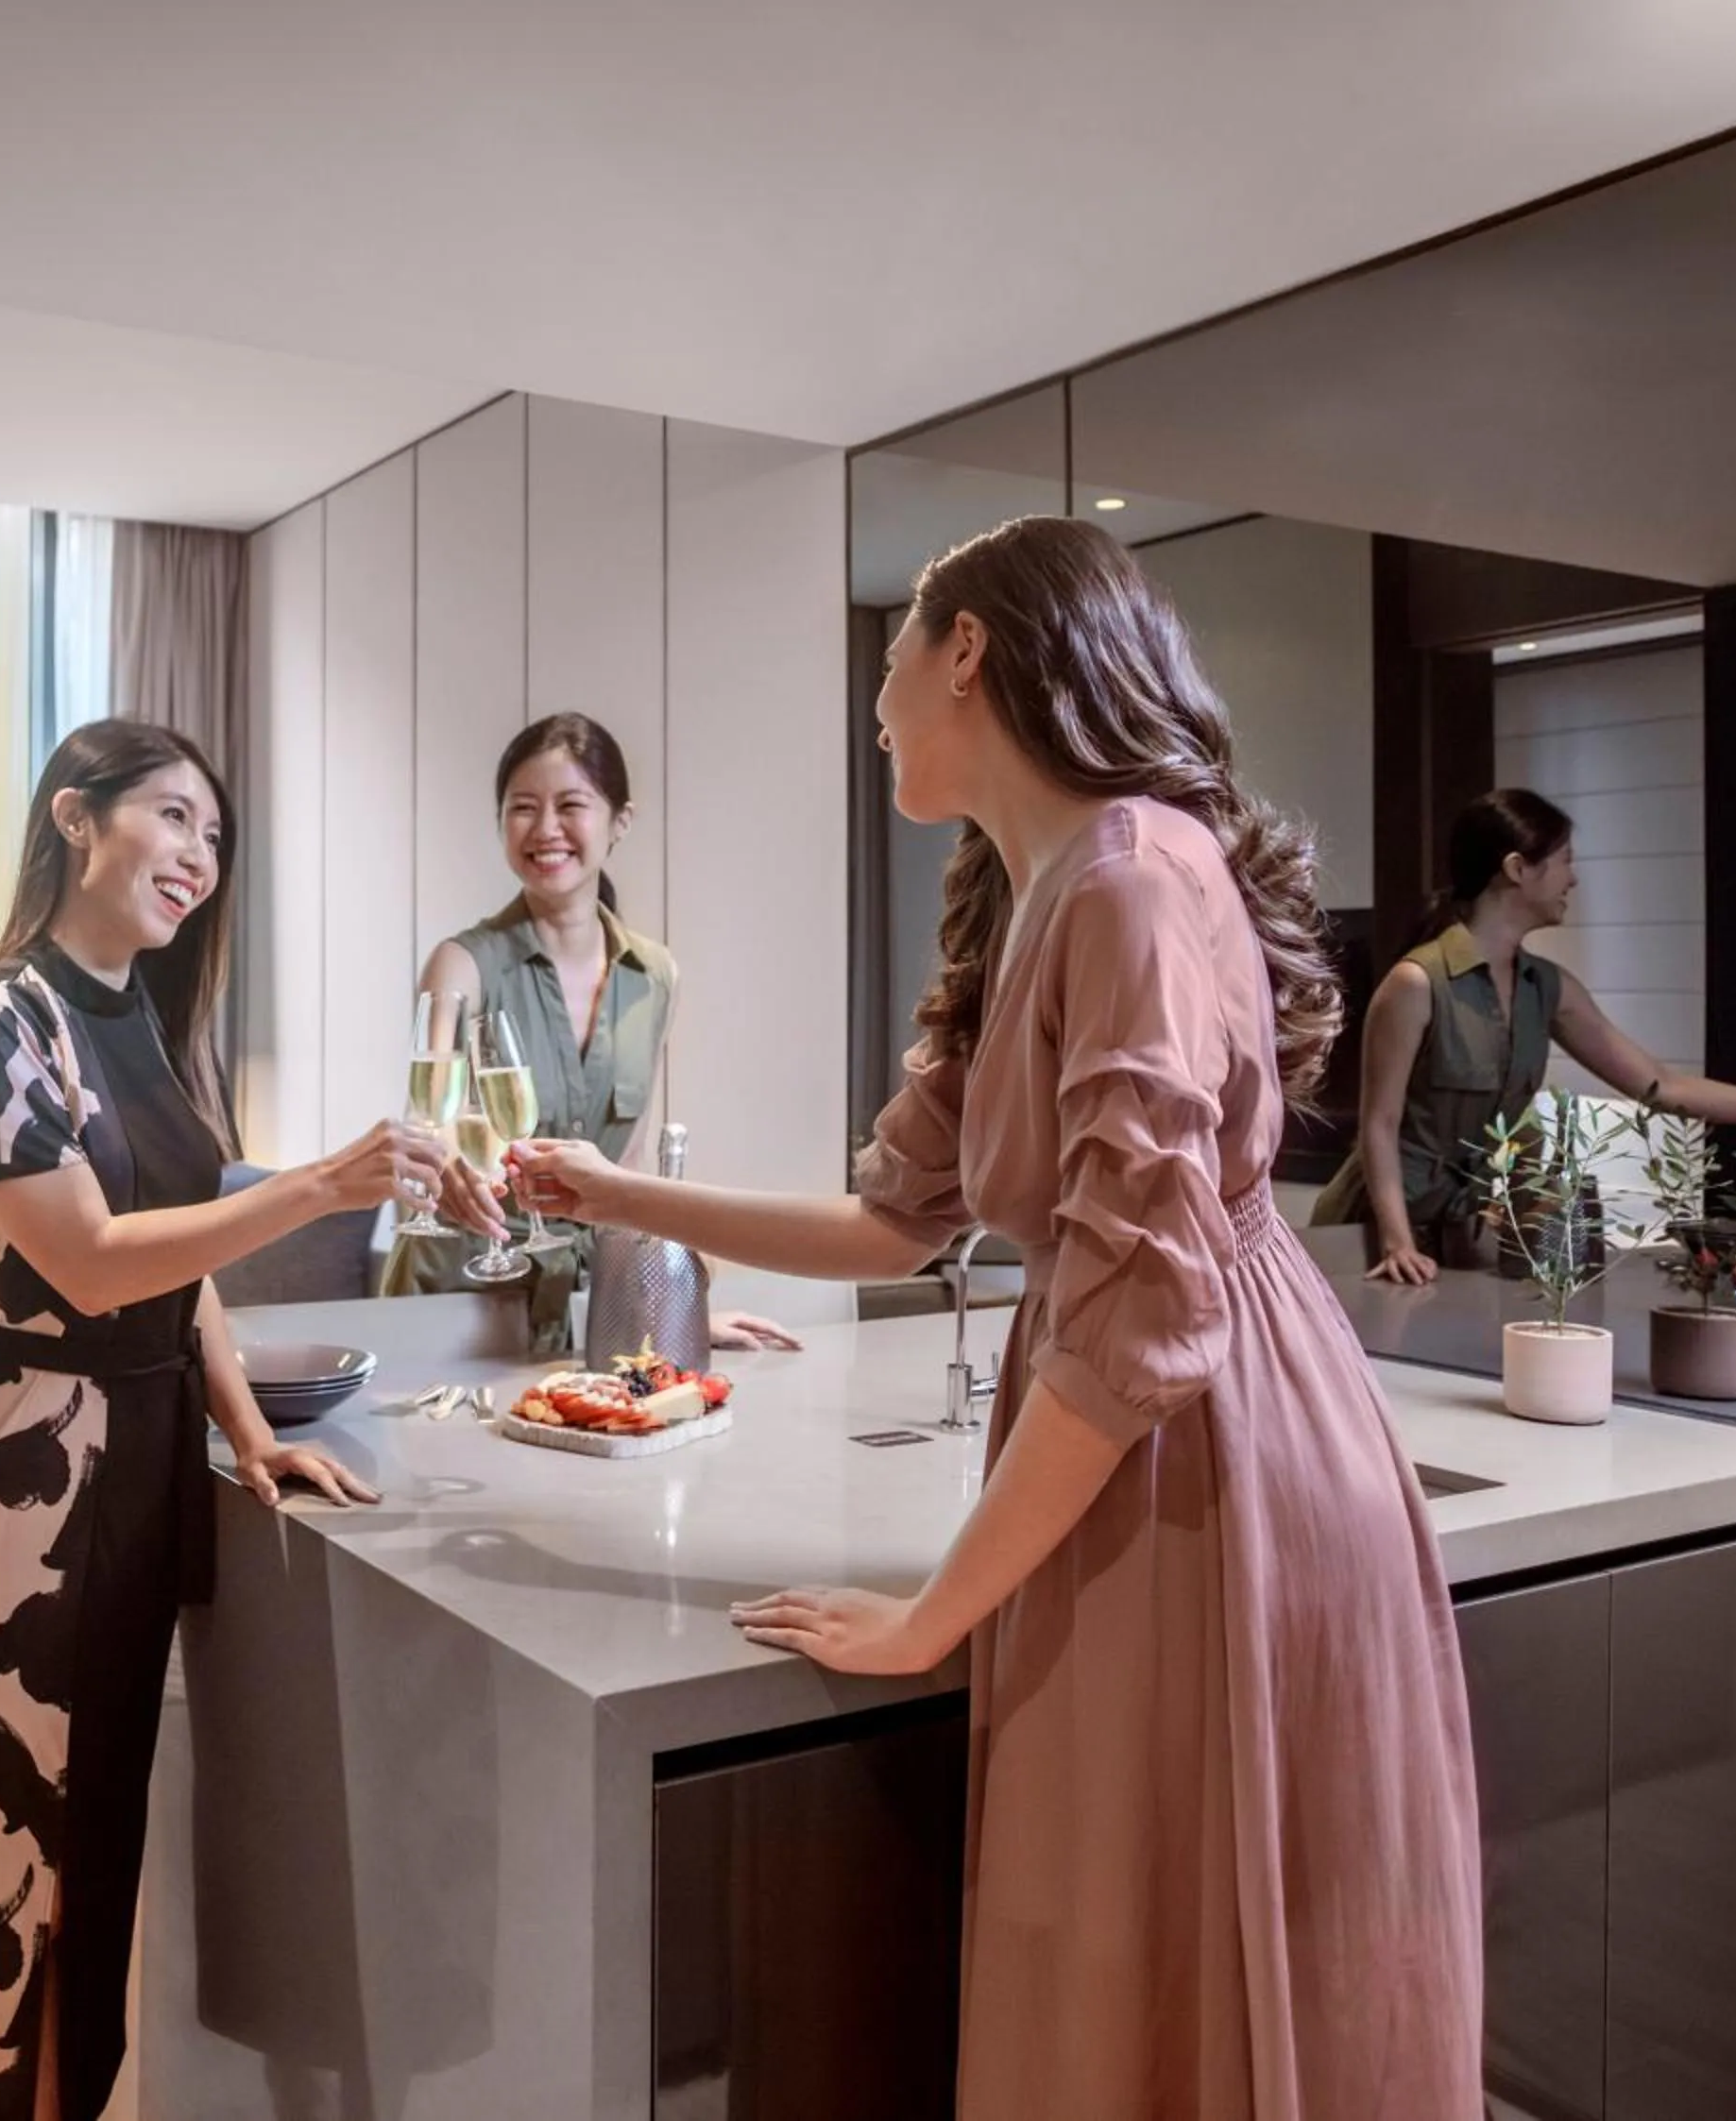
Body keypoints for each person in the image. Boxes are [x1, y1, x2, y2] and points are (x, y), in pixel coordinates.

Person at [501, 518, 1486, 2117]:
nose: (877, 698)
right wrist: (617, 1194)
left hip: (1202, 1444)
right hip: (1143, 1426)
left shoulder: (1132, 880)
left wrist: (931, 1613)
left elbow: (1137, 1320)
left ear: (966, 649)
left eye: (893, 652)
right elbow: (896, 1220)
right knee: (1138, 1934)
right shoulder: (1046, 885)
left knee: (1165, 1929)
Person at [0, 720, 457, 2121]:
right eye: (174, 816)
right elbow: (90, 1261)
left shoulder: (148, 1018)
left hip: (137, 1466)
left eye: (215, 834)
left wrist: (247, 1431)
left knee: (93, 1857)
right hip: (15, 1475)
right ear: (75, 818)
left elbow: (180, 1270)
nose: (199, 854)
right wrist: (318, 1185)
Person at [382, 710, 796, 1352]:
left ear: (619, 822)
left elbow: (624, 1178)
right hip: (454, 1305)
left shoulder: (653, 975)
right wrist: (448, 1167)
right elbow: (426, 1124)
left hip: (579, 1310)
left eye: (571, 805)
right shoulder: (462, 963)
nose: (546, 829)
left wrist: (671, 1314)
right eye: (523, 808)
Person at [1312, 788, 1736, 1283]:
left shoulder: (1546, 988)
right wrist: (1397, 1242)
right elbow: (1379, 1124)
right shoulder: (1417, 983)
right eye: (1564, 860)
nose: (1574, 879)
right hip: (1370, 1234)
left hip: (1455, 1235)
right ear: (1517, 868)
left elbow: (1662, 1087)